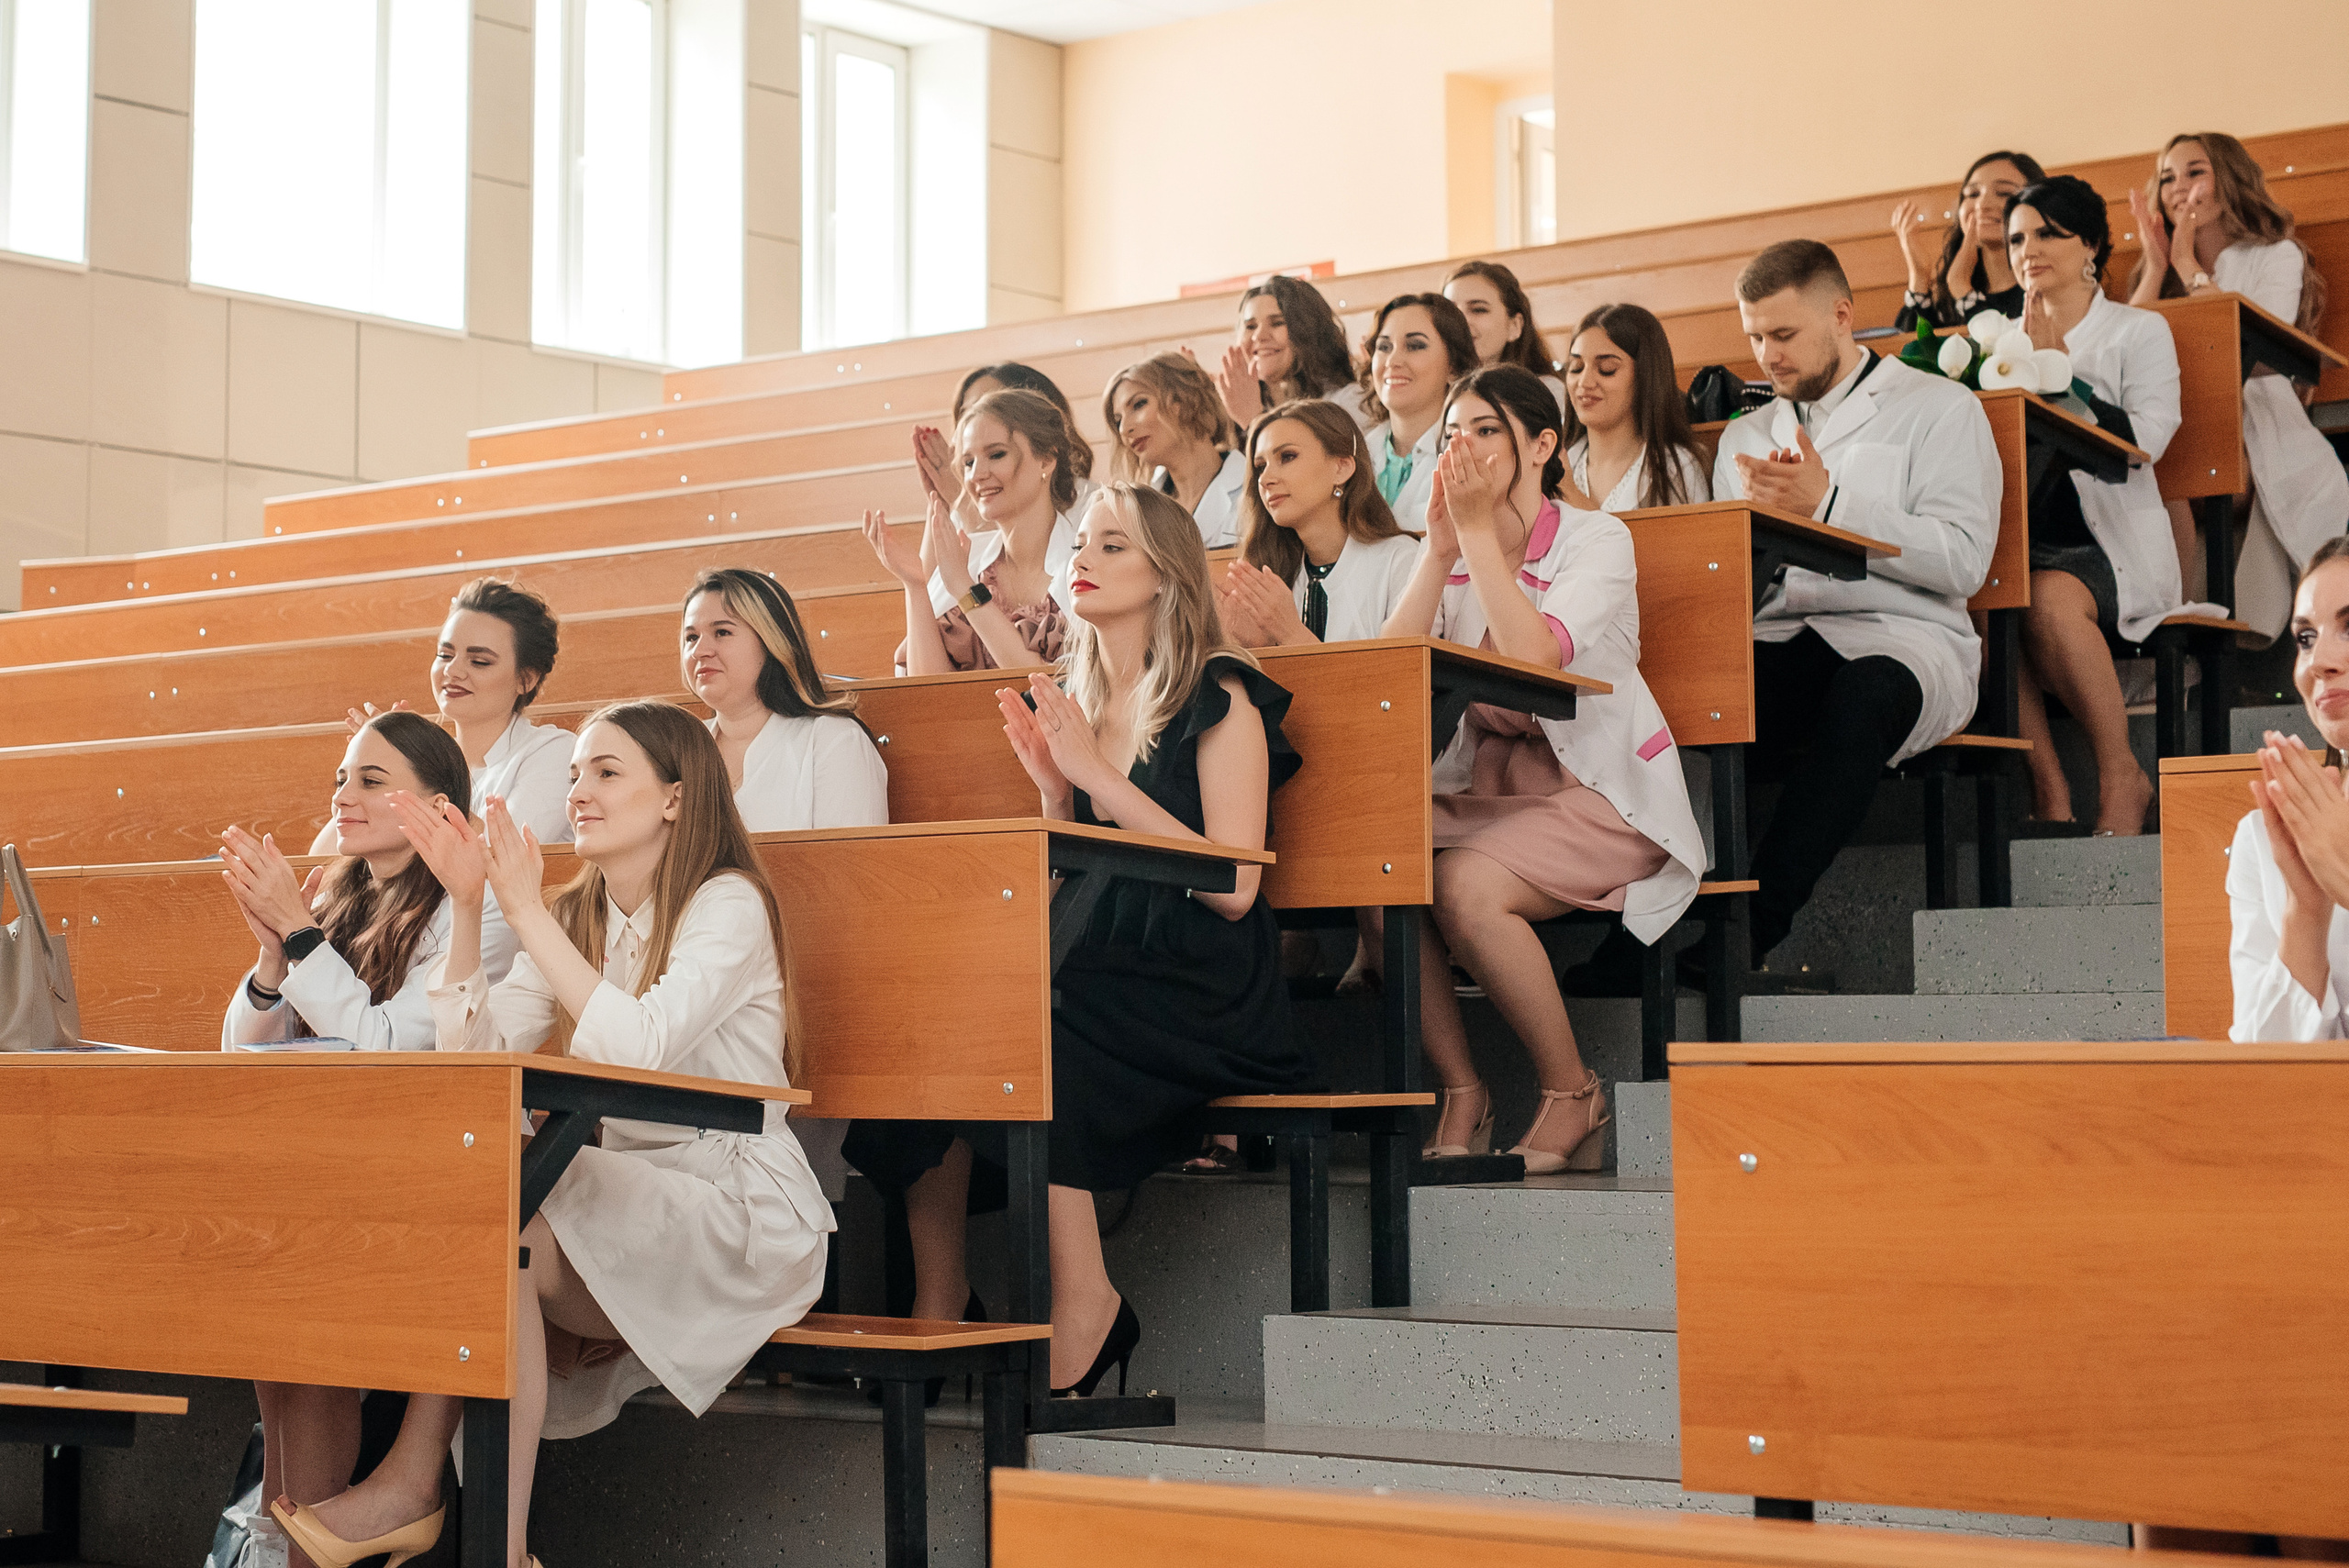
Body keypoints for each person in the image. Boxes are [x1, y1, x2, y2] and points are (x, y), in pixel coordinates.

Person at [271, 702, 831, 1568]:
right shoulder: (575, 910)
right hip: (619, 1190)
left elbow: (639, 1048)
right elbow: (471, 1061)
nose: (579, 790)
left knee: (504, 1218)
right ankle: (477, 1531)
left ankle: (433, 1499)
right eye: (573, 773)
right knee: (485, 1207)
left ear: (676, 798)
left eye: (607, 771)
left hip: (738, 1206)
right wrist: (468, 905)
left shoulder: (729, 902)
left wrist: (522, 909)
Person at [842, 483, 1317, 1395]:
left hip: (1202, 981)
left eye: (1111, 547)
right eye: (1082, 547)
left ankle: (1086, 1296)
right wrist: (1058, 797)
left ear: (1164, 575)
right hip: (1106, 956)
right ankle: (941, 1297)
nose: (1083, 561)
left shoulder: (1221, 694)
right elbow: (1083, 860)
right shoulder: (1083, 694)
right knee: (941, 1023)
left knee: (1034, 1032)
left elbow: (1234, 882)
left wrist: (1094, 774)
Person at [1576, 240, 1999, 988]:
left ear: (1842, 316)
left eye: (1783, 335)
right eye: (1753, 337)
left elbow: (1964, 559)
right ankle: (1639, 934)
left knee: (1862, 695)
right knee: (1669, 705)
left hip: (1900, 637)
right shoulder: (1748, 431)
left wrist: (1829, 506)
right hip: (1778, 629)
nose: (1766, 355)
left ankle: (1750, 931)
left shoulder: (1937, 408)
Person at [1383, 366, 1705, 1170]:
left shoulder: (1598, 540)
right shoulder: (1455, 545)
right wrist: (1438, 553)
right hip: (1491, 792)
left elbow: (1534, 659)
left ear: (1542, 444)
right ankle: (1463, 1087)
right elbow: (1386, 684)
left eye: (1486, 429)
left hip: (1598, 795)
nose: (1464, 446)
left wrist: (1480, 542)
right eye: (1453, 431)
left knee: (1463, 885)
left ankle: (1572, 1091)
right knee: (1370, 857)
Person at [217, 710, 479, 1568]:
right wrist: (270, 957)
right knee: (275, 1323)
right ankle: (277, 1524)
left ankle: (298, 1542)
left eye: (372, 778)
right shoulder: (337, 893)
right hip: (325, 1163)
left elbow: (392, 1045)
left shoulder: (464, 907)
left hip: (420, 1174)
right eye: (342, 778)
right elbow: (245, 1053)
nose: (346, 795)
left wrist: (298, 936)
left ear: (435, 803)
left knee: (313, 1306)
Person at [2006, 176, 2210, 836]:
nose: (2027, 249)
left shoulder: (2137, 331)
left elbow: (2147, 440)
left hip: (2109, 547)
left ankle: (2122, 772)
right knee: (1981, 601)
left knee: (2041, 598)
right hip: (2021, 540)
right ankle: (2049, 783)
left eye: (2047, 233)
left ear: (2090, 242)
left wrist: (2063, 375)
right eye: (2015, 238)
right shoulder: (1999, 345)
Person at [2129, 131, 2349, 637]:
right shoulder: (2158, 275)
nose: (2179, 188)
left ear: (2228, 179)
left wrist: (2189, 266)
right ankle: (2170, 627)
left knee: (2166, 471)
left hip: (2254, 433)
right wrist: (2160, 263)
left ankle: (2180, 628)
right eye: (2167, 178)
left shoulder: (2276, 255)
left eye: (2195, 172)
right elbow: (2120, 354)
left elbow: (2249, 344)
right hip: (2177, 434)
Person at [306, 577, 572, 852]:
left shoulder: (555, 751)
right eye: (445, 655)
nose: (453, 671)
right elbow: (323, 857)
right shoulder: (420, 764)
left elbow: (502, 856)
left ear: (526, 679)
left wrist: (419, 758)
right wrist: (379, 755)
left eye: (479, 661)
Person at [867, 388, 1091, 673]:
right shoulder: (966, 557)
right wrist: (915, 586)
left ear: (1046, 459)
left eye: (996, 455)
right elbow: (928, 693)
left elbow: (1054, 687)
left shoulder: (1087, 561)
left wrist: (966, 590)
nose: (977, 475)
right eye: (969, 462)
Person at [2230, 535, 2349, 1045]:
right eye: (2305, 637)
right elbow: (2263, 1083)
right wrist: (2305, 908)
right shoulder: (2266, 837)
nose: (2319, 660)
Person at [684, 567, 888, 831]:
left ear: (771, 641)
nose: (700, 650)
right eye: (691, 637)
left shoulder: (834, 741)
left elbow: (850, 867)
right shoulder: (677, 749)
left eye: (722, 632)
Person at [1219, 398, 1420, 648]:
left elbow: (1397, 680)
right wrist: (1256, 646)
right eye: (1260, 467)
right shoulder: (1273, 570)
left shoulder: (1400, 559)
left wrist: (1291, 635)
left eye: (1287, 456)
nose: (1266, 479)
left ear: (1342, 468)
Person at [913, 362, 1097, 556]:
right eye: (966, 413)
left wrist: (972, 514)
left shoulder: (1091, 505)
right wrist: (939, 504)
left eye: (994, 404)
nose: (978, 418)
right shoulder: (966, 495)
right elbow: (932, 582)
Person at [1559, 304, 1710, 511]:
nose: (1585, 382)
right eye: (1576, 368)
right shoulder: (1554, 465)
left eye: (1606, 369)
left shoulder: (1676, 469)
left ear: (1645, 377)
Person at [1361, 293, 1480, 536]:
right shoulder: (1354, 452)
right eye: (1384, 347)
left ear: (1454, 368)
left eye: (1415, 346)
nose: (1393, 360)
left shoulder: (1472, 455)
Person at [1101, 352, 1246, 549]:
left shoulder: (1255, 487)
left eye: (1139, 404)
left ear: (1185, 399)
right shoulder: (1139, 512)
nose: (1124, 429)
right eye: (1118, 420)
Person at [1889, 150, 2045, 331]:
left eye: (2004, 193)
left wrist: (1963, 290)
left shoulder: (2042, 289)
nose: (1982, 204)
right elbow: (1910, 353)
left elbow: (2007, 349)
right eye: (1973, 194)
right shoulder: (1946, 296)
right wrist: (1919, 278)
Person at [1212, 273, 1369, 432]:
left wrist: (1253, 420)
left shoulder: (1348, 403)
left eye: (1277, 323)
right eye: (1251, 326)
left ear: (1308, 331)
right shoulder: (1235, 410)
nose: (1259, 336)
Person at [1443, 260, 1564, 407]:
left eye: (1478, 309)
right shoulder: (1426, 394)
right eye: (1451, 310)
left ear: (1514, 325)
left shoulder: (1546, 391)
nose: (1461, 320)